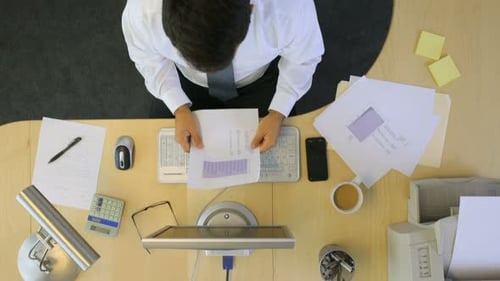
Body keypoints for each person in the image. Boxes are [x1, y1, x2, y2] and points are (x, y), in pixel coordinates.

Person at [122, 0, 324, 152]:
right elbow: (147, 57)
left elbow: (304, 57)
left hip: (258, 81)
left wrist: (278, 112)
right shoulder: (143, 11)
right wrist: (179, 107)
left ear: (250, 10)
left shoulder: (288, 8)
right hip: (185, 81)